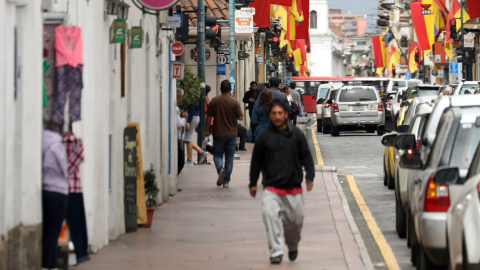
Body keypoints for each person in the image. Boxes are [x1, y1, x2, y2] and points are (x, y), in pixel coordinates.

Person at [249, 99, 315, 264]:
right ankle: (276, 251)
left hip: (293, 188)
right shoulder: (264, 136)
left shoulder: (297, 135)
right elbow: (256, 161)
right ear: (270, 115)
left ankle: (292, 245)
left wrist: (309, 177)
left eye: (280, 113)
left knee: (296, 221)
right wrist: (252, 182)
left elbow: (307, 157)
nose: (277, 116)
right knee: (269, 216)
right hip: (271, 188)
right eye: (274, 113)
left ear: (286, 114)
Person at [204, 80, 244, 188]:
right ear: (231, 89)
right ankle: (226, 181)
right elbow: (241, 117)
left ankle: (220, 169)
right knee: (230, 157)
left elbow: (209, 117)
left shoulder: (215, 101)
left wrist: (207, 130)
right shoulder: (235, 102)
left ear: (220, 89)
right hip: (231, 133)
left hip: (218, 133)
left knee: (217, 155)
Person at [42, 130, 69, 269]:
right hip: (59, 192)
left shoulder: (41, 141)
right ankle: (46, 265)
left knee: (47, 231)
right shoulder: (57, 145)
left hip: (45, 189)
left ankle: (52, 266)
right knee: (53, 233)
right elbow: (65, 169)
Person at [184, 99, 207, 165]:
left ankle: (190, 159)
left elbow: (192, 108)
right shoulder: (194, 95)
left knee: (188, 139)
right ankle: (201, 152)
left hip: (193, 117)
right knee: (186, 139)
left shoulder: (193, 96)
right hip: (194, 117)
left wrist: (188, 121)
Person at [176, 89, 188, 175]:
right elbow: (179, 123)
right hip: (176, 137)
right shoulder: (176, 108)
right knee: (180, 159)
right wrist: (185, 118)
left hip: (177, 136)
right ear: (179, 97)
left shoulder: (176, 108)